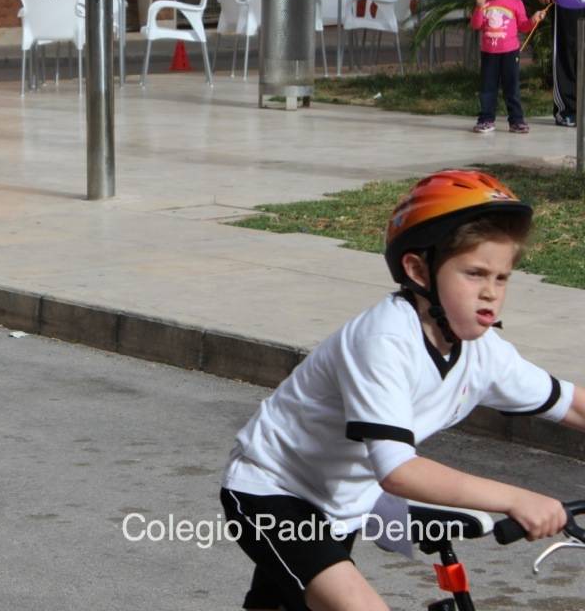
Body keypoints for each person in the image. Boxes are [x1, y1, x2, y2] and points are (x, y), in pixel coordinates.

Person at [219, 169, 585, 611]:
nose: (491, 294)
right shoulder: (384, 339)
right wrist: (516, 497)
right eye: (474, 274)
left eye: (502, 278)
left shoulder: (482, 352)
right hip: (273, 493)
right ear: (418, 270)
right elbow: (399, 471)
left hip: (343, 501)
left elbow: (572, 406)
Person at [470, 0, 545, 135]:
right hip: (489, 53)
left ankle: (516, 121)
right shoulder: (485, 4)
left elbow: (524, 26)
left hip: (510, 53)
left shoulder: (516, 3)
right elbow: (476, 25)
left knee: (512, 87)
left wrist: (534, 19)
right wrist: (479, 7)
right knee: (488, 88)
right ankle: (486, 119)